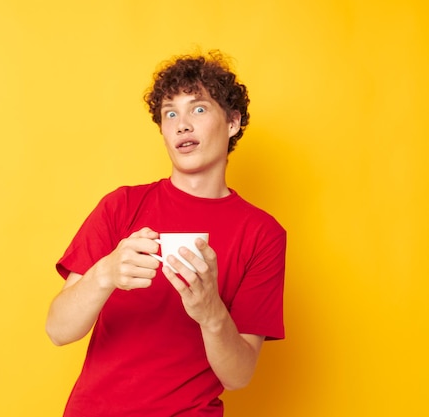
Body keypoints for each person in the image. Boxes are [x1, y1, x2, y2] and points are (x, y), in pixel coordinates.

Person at [46, 50, 286, 416]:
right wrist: (106, 273)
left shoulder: (262, 234)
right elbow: (58, 330)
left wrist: (210, 313)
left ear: (233, 121)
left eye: (198, 109)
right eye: (170, 113)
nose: (182, 124)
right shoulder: (121, 206)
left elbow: (239, 375)